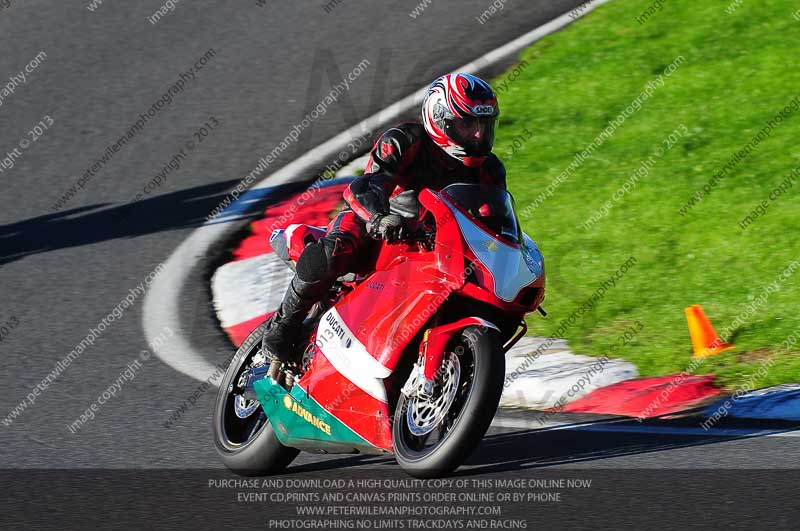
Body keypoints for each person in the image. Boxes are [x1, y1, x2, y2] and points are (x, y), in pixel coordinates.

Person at [261, 72, 507, 361]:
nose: (478, 135)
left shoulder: (490, 170)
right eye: (468, 124)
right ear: (440, 120)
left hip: (435, 247)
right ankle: (283, 327)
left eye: (484, 125)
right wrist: (380, 218)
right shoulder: (405, 141)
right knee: (334, 251)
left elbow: (495, 221)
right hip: (378, 226)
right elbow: (368, 185)